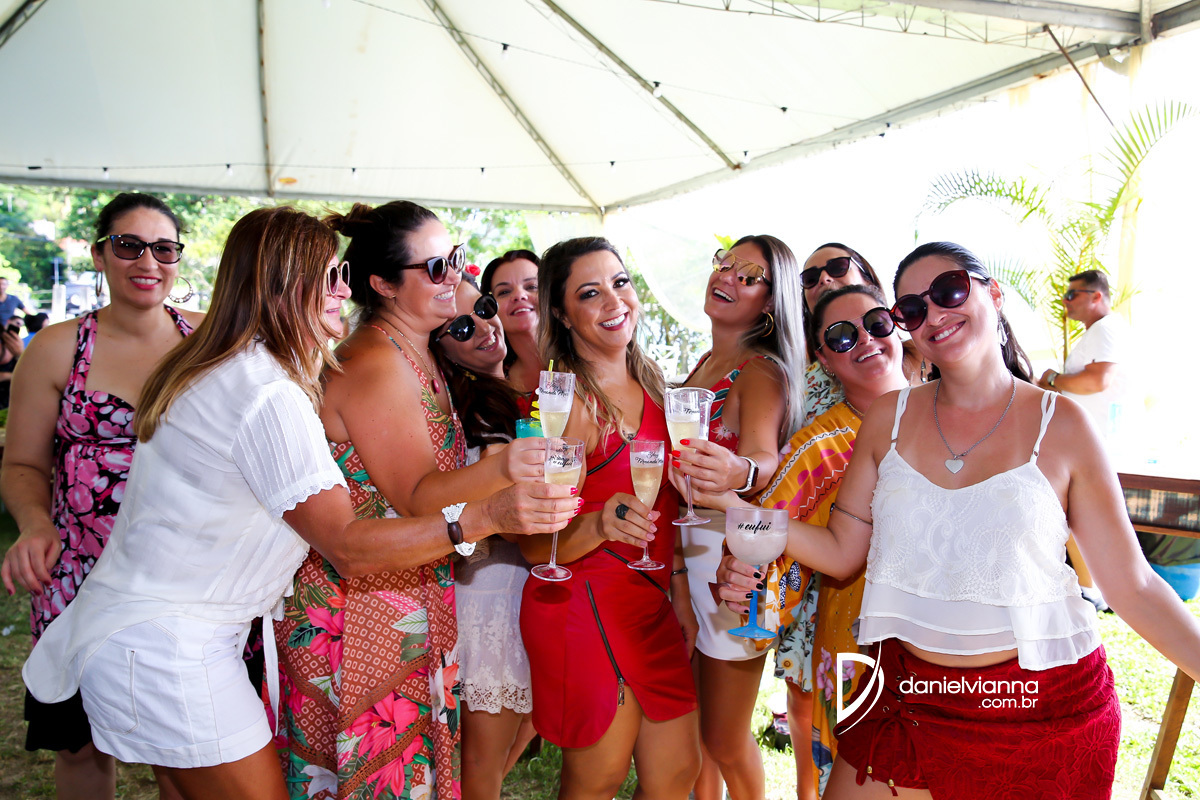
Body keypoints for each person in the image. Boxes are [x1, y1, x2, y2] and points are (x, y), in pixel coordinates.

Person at [19, 206, 578, 800]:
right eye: (329, 277)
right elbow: (347, 546)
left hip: (171, 636)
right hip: (167, 646)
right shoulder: (265, 392)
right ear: (281, 288)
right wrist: (486, 515)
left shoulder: (241, 368)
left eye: (343, 274)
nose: (344, 290)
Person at [707, 241, 1200, 798]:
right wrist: (739, 512)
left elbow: (1133, 585)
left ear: (994, 293)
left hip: (1039, 711)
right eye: (914, 308)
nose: (935, 313)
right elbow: (842, 552)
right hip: (907, 699)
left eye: (949, 290)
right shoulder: (888, 420)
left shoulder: (1062, 424)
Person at [274, 202, 554, 800]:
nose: (453, 276)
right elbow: (419, 497)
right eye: (433, 268)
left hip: (406, 588)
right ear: (382, 284)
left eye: (454, 259)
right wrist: (505, 467)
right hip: (359, 610)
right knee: (377, 777)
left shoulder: (416, 349)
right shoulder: (376, 361)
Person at [1, 192, 201, 800]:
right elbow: (23, 462)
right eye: (128, 245)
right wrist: (35, 524)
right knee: (80, 743)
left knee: (183, 748)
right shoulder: (57, 347)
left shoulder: (209, 341)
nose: (148, 261)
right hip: (81, 578)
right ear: (99, 254)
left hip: (186, 578)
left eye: (163, 248)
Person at [519, 236, 701, 799]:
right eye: (589, 293)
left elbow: (665, 508)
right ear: (560, 314)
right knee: (597, 779)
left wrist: (678, 590)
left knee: (676, 774)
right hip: (585, 606)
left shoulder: (656, 388)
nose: (614, 301)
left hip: (650, 603)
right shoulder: (568, 405)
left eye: (620, 283)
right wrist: (598, 524)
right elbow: (534, 547)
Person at [755, 284, 908, 796]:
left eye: (876, 323)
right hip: (858, 654)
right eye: (843, 336)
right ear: (822, 358)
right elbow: (762, 544)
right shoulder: (819, 446)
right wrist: (747, 580)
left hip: (958, 653)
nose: (866, 340)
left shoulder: (954, 415)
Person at [670, 236, 805, 800]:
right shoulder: (705, 363)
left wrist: (739, 471)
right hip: (690, 559)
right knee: (698, 734)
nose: (726, 276)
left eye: (748, 275)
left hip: (734, 566)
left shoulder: (761, 370)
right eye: (725, 264)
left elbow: (764, 459)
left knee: (724, 739)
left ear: (771, 302)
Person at [433, 274, 538, 799]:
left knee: (496, 756)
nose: (482, 327)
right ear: (442, 349)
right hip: (490, 598)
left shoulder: (512, 397)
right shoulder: (471, 409)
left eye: (483, 308)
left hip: (516, 590)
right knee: (481, 763)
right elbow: (495, 510)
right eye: (460, 327)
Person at [1037, 269, 1130, 611]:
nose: (1065, 302)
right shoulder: (1098, 331)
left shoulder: (1106, 328)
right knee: (1074, 517)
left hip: (1102, 444)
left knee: (1082, 518)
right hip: (1092, 444)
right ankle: (1093, 588)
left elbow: (1097, 381)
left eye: (1072, 294)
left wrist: (1053, 379)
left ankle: (1098, 590)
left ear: (1097, 296)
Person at [798, 244, 887, 426]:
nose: (823, 278)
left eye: (838, 267)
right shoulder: (793, 387)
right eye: (810, 278)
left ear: (869, 282)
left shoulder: (923, 356)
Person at [481, 249, 542, 403]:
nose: (519, 295)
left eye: (532, 287)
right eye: (504, 292)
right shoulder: (496, 388)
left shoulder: (588, 357)